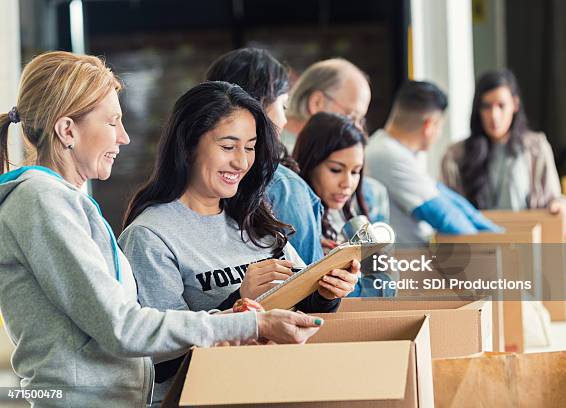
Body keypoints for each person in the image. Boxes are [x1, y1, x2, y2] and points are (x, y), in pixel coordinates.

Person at [0, 52, 323, 408]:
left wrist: (237, 317)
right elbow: (123, 328)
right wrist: (250, 324)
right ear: (67, 130)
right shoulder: (41, 200)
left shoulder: (62, 201)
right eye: (112, 122)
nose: (123, 137)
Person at [119, 81, 360, 404]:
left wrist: (326, 292)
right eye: (228, 146)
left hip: (275, 391)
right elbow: (159, 361)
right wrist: (238, 303)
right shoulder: (150, 236)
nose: (242, 162)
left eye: (250, 147)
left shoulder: (254, 218)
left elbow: (301, 311)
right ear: (188, 145)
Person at [205, 47, 323, 264]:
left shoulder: (194, 180)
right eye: (283, 106)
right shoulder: (284, 186)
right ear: (260, 105)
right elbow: (312, 282)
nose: (285, 120)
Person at [441, 69, 566, 238]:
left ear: (515, 105)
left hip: (527, 242)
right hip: (478, 247)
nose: (494, 115)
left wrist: (562, 205)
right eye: (486, 107)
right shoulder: (456, 155)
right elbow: (446, 207)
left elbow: (553, 198)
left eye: (501, 106)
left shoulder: (536, 147)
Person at [366, 80, 501, 243]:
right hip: (406, 263)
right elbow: (445, 217)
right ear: (429, 125)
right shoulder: (387, 155)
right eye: (441, 126)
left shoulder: (391, 149)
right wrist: (495, 243)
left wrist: (493, 230)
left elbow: (443, 194)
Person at [293, 112, 394, 296]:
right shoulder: (296, 219)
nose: (347, 183)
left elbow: (386, 287)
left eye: (355, 171)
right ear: (310, 163)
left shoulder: (352, 215)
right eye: (336, 170)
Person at [283, 58, 390, 224]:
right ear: (317, 102)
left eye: (355, 171)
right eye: (352, 116)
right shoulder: (279, 157)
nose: (358, 129)